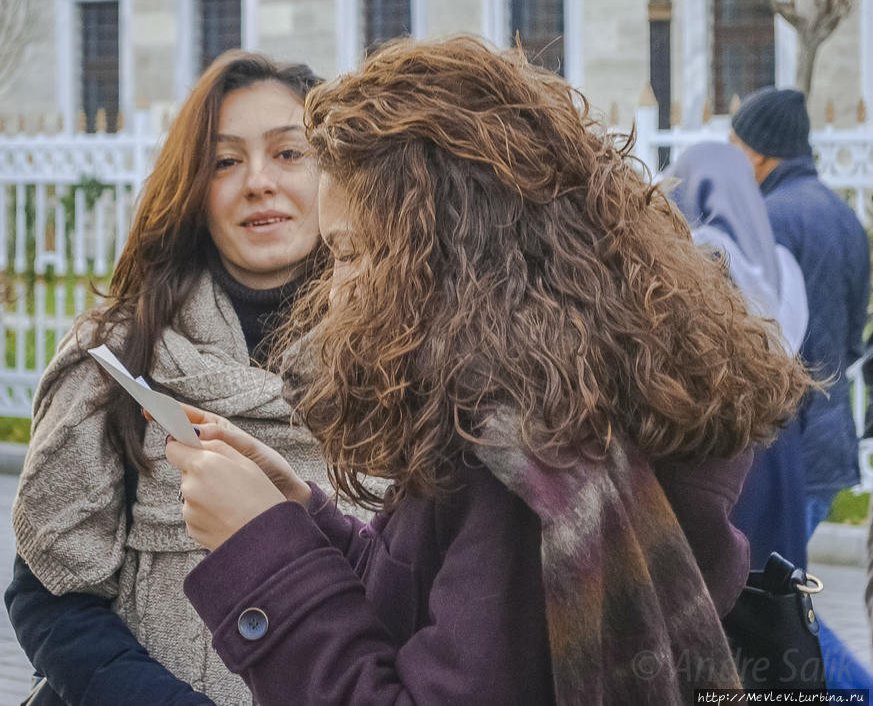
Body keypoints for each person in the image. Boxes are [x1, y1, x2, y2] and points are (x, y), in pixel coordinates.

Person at [166, 37, 809, 705]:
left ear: (447, 252)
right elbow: (426, 601)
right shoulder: (521, 395)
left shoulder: (520, 456)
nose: (336, 292)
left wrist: (260, 550)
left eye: (353, 253)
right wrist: (296, 516)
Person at [6, 51, 335, 705]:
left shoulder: (407, 361)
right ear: (193, 186)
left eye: (289, 153)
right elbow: (52, 593)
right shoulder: (117, 356)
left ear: (336, 172)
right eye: (225, 160)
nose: (259, 181)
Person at [730, 86, 870, 540]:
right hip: (829, 438)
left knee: (771, 600)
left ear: (756, 154)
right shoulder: (843, 214)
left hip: (782, 444)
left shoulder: (765, 218)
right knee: (784, 592)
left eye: (735, 145)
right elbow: (852, 338)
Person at [669, 140, 809, 570]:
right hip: (783, 447)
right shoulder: (784, 265)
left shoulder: (699, 261)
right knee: (777, 581)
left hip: (728, 445)